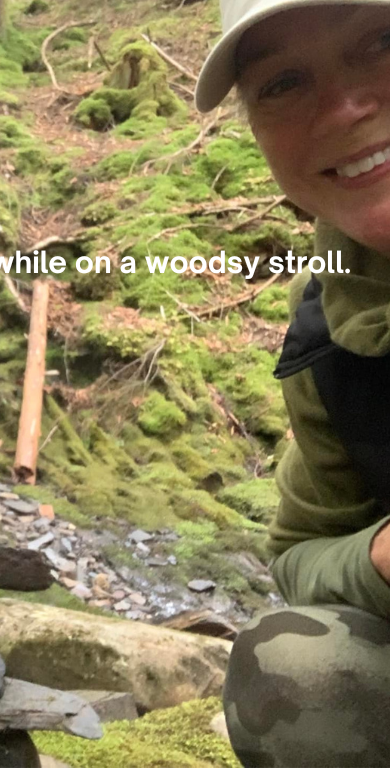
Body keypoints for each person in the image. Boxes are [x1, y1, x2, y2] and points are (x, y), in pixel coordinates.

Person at [196, 1, 390, 765]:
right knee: (291, 668)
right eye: (283, 82)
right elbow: (302, 551)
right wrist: (377, 561)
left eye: (382, 41)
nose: (346, 108)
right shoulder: (331, 334)